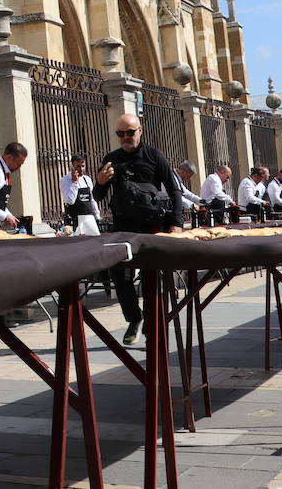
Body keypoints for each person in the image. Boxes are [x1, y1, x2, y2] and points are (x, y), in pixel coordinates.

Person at [94, 114, 183, 346]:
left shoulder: (154, 155)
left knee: (150, 279)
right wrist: (100, 182)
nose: (125, 138)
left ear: (140, 130)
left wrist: (177, 223)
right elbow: (97, 196)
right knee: (119, 274)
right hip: (123, 227)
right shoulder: (111, 159)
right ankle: (134, 318)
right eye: (120, 134)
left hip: (151, 226)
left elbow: (174, 189)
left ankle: (152, 332)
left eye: (130, 132)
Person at [60, 155, 101, 236]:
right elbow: (70, 201)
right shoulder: (65, 180)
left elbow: (92, 200)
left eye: (83, 166)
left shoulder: (87, 179)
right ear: (72, 166)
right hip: (75, 221)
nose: (81, 169)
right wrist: (74, 182)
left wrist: (97, 216)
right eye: (78, 166)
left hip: (89, 219)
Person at [174, 160, 206, 227]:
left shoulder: (177, 178)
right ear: (183, 171)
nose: (188, 179)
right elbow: (176, 196)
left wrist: (201, 200)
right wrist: (192, 205)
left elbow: (186, 192)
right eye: (188, 176)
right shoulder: (171, 177)